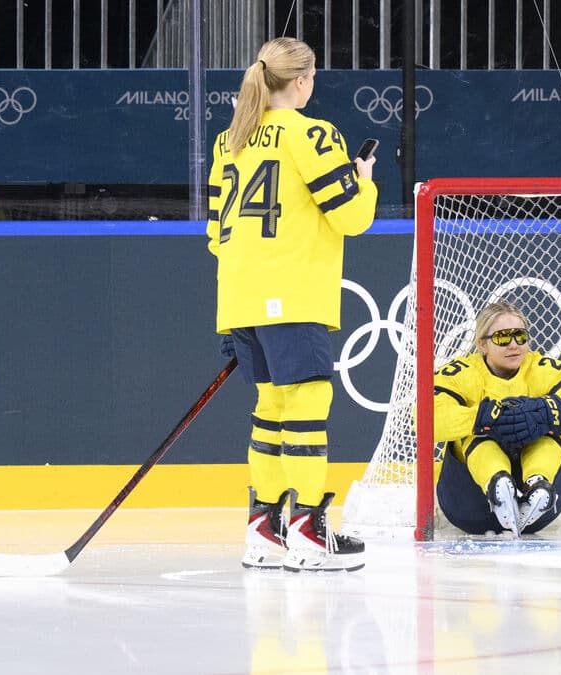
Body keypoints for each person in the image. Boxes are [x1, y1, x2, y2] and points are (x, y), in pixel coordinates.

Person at [207, 37, 378, 572]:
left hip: (239, 298)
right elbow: (351, 217)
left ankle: (266, 526)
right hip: (295, 296)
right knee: (305, 411)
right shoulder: (315, 134)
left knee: (270, 412)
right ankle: (308, 526)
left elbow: (216, 234)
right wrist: (364, 183)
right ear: (301, 80)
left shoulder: (227, 140)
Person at [433, 301, 561, 537]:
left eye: (520, 336)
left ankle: (538, 486)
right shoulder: (460, 373)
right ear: (482, 344)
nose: (514, 345)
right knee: (474, 429)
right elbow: (423, 422)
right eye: (503, 338)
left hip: (537, 516)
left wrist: (546, 411)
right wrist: (482, 417)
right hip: (469, 506)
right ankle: (497, 485)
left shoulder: (547, 370)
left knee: (554, 421)